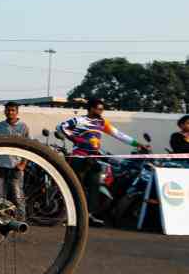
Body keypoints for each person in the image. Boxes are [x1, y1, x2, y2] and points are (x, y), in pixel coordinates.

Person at [58, 96, 148, 224]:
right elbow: (61, 127)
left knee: (94, 187)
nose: (101, 112)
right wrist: (75, 138)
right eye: (99, 109)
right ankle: (67, 216)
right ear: (91, 108)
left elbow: (118, 134)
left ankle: (88, 215)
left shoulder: (101, 123)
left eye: (102, 110)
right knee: (75, 186)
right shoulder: (79, 120)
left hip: (93, 159)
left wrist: (137, 144)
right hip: (78, 158)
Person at [0, 101, 30, 217]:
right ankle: (2, 220)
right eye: (8, 110)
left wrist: (23, 164)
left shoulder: (23, 127)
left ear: (17, 112)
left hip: (16, 167)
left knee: (17, 196)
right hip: (0, 166)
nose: (10, 112)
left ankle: (21, 220)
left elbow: (28, 147)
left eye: (13, 110)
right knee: (1, 197)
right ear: (4, 111)